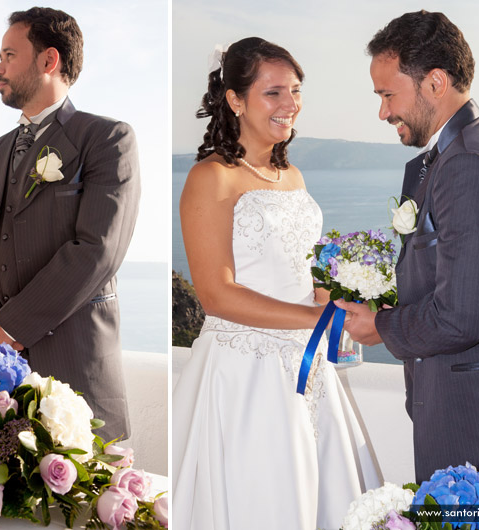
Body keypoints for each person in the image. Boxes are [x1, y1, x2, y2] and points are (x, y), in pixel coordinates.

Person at [338, 10, 479, 506]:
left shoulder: (471, 160)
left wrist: (382, 326)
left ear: (435, 82)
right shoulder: (453, 153)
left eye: (387, 94)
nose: (382, 112)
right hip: (469, 412)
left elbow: (464, 314)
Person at [172, 37, 380, 530]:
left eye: (296, 91)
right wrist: (316, 317)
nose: (291, 105)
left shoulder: (293, 176)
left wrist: (333, 301)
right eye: (273, 93)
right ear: (235, 99)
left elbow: (302, 270)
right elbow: (216, 295)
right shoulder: (211, 178)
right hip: (245, 372)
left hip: (308, 365)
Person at [0, 7, 140, 442]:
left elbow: (98, 250)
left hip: (73, 365)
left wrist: (11, 324)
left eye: (9, 56)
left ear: (48, 60)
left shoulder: (107, 139)